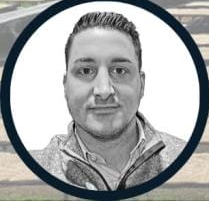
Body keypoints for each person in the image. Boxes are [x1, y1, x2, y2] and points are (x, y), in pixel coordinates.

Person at [31, 11, 186, 191]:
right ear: (66, 86)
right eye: (86, 71)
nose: (103, 91)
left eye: (119, 70)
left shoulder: (186, 157)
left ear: (141, 84)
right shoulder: (33, 168)